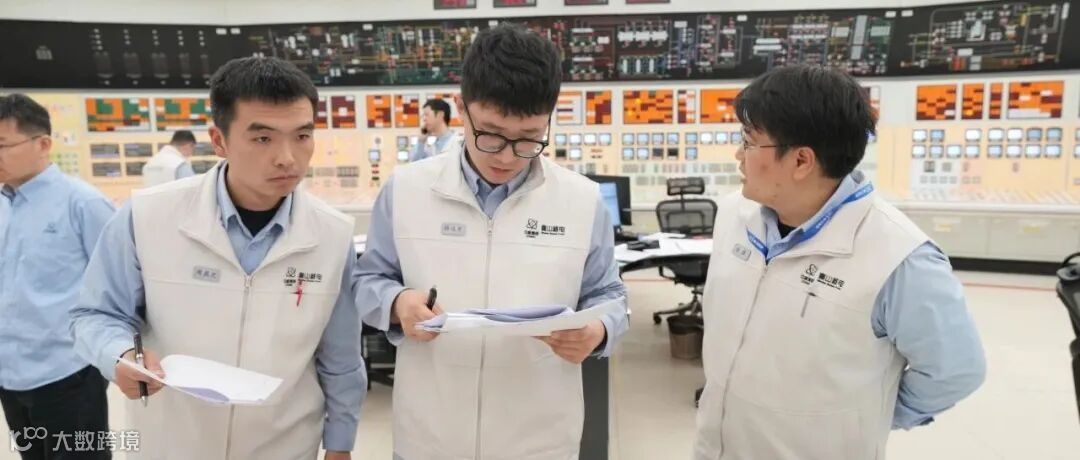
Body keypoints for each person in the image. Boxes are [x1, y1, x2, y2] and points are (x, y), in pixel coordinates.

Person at [354, 23, 629, 460]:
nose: (506, 156)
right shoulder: (406, 189)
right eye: (491, 134)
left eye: (528, 139)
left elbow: (609, 294)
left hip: (538, 436)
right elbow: (367, 279)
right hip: (431, 433)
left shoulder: (581, 200)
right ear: (461, 108)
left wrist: (598, 331)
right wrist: (396, 302)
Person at [70, 57, 366, 460]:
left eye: (302, 135)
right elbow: (96, 314)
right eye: (263, 138)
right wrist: (120, 356)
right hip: (174, 443)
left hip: (283, 445)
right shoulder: (148, 217)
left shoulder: (332, 234)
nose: (287, 157)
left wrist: (340, 444)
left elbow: (341, 356)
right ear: (219, 140)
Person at [693, 64, 986, 460]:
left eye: (749, 140)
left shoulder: (899, 258)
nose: (738, 154)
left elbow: (955, 370)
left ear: (801, 161)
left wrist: (869, 417)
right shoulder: (733, 213)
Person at [0, 93, 115, 459]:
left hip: (69, 374)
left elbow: (119, 286)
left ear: (43, 144)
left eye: (2, 145)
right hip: (11, 375)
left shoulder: (83, 203)